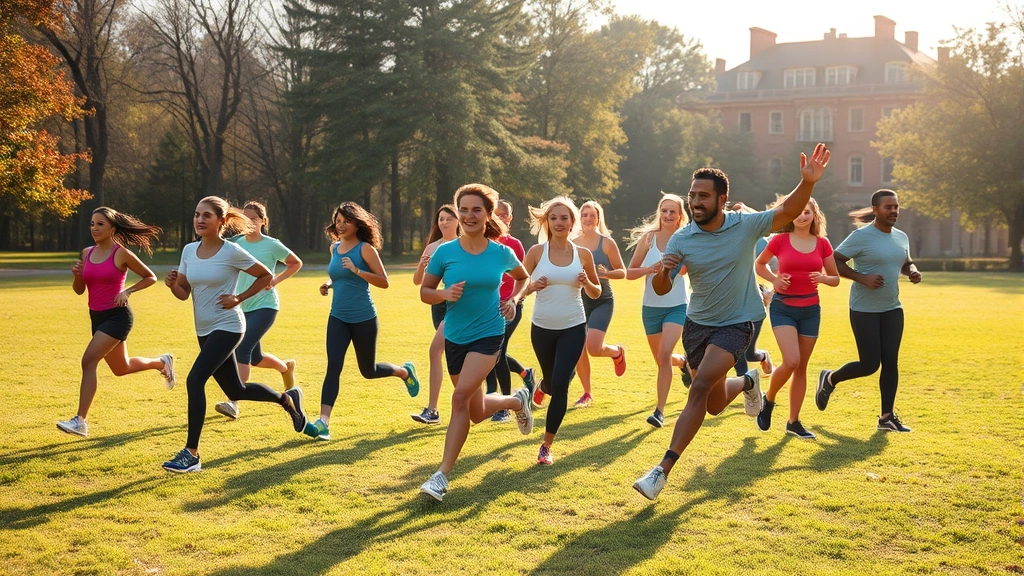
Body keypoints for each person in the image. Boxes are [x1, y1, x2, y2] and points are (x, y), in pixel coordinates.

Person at [633, 143, 830, 500]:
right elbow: (663, 288)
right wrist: (664, 270)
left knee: (698, 387)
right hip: (698, 324)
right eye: (692, 195)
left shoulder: (746, 225)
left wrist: (809, 184)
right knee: (713, 402)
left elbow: (787, 211)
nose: (695, 202)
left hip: (738, 322)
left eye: (703, 196)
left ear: (722, 199)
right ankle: (748, 382)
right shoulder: (682, 237)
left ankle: (661, 470)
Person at [162, 196, 308, 473]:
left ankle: (191, 454)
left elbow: (265, 276)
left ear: (220, 221)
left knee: (195, 381)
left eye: (206, 215)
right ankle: (287, 400)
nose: (200, 220)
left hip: (229, 326)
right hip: (203, 329)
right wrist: (172, 285)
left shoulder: (231, 251)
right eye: (196, 215)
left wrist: (239, 298)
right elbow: (183, 294)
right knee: (235, 389)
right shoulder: (189, 251)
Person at [418, 183, 533, 501]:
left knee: (458, 399)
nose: (469, 215)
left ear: (488, 214)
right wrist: (442, 294)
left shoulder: (501, 252)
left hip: (489, 332)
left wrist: (514, 300)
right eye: (463, 209)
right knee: (475, 410)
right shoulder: (444, 252)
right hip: (456, 335)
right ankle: (515, 401)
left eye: (476, 210)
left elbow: (523, 278)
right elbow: (425, 291)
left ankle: (441, 476)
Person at [306, 202, 420, 441]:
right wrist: (328, 284)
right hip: (337, 317)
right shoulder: (334, 248)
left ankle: (403, 372)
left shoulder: (366, 249)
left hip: (364, 318)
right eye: (338, 221)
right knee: (333, 366)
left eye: (346, 220)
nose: (341, 225)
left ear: (357, 223)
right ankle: (324, 422)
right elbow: (337, 275)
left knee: (368, 371)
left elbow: (384, 281)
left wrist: (358, 271)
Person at [57, 207, 174, 438]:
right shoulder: (86, 253)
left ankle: (80, 420)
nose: (94, 228)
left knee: (88, 361)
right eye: (92, 223)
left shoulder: (120, 253)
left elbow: (150, 276)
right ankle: (162, 362)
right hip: (97, 317)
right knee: (122, 368)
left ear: (112, 228)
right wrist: (77, 275)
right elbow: (80, 291)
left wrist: (128, 291)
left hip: (118, 316)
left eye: (100, 224)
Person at [815, 189, 921, 433]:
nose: (893, 211)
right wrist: (862, 278)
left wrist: (912, 270)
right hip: (864, 309)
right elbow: (834, 261)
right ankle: (830, 378)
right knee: (870, 364)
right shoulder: (861, 236)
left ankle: (887, 418)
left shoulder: (901, 237)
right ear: (875, 209)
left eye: (896, 207)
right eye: (888, 207)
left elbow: (905, 262)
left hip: (893, 308)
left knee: (891, 362)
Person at [520, 197, 602, 464]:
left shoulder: (583, 255)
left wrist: (587, 280)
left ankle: (546, 445)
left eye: (564, 218)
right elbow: (519, 285)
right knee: (554, 384)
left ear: (571, 222)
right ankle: (541, 383)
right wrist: (531, 287)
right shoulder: (535, 253)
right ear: (546, 222)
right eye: (553, 218)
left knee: (562, 385)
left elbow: (596, 291)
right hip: (542, 327)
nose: (558, 222)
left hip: (573, 326)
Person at [754, 198, 839, 439]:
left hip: (811, 310)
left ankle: (794, 422)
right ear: (790, 216)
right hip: (783, 308)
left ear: (814, 215)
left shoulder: (822, 244)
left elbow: (835, 278)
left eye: (807, 212)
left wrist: (823, 278)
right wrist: (774, 280)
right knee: (791, 361)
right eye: (798, 212)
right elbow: (759, 265)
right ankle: (768, 400)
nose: (802, 216)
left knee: (801, 367)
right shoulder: (780, 240)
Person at [214, 201, 303, 420]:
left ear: (263, 221)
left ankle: (234, 402)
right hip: (241, 305)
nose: (250, 223)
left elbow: (295, 263)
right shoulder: (235, 242)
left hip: (265, 305)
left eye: (254, 219)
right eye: (246, 219)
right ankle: (286, 368)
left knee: (241, 349)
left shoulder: (272, 245)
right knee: (255, 357)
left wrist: (275, 280)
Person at [625, 194, 690, 428]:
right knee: (661, 359)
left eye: (673, 211)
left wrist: (680, 266)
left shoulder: (686, 238)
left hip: (677, 306)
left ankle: (659, 412)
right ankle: (683, 363)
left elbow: (687, 271)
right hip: (650, 308)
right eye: (664, 211)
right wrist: (649, 269)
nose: (668, 215)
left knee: (663, 355)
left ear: (680, 215)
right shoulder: (649, 239)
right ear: (659, 213)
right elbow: (629, 273)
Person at [571, 201, 626, 408]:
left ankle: (616, 352)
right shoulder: (572, 242)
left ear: (598, 218)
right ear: (579, 218)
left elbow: (623, 271)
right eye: (584, 215)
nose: (587, 219)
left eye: (591, 215)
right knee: (578, 348)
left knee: (593, 348)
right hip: (578, 299)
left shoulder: (607, 243)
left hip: (602, 300)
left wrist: (606, 273)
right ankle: (587, 393)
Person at [411, 204, 461, 425]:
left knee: (435, 350)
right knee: (453, 354)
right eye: (441, 219)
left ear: (458, 221)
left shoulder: (463, 245)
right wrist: (422, 266)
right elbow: (417, 281)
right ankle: (470, 401)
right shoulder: (432, 247)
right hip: (438, 305)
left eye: (449, 219)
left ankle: (433, 410)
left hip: (457, 305)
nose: (444, 223)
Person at [487, 199, 536, 421]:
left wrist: (513, 300)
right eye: (495, 214)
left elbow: (524, 279)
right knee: (490, 353)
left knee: (496, 352)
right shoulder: (482, 242)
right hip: (486, 308)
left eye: (504, 215)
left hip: (510, 307)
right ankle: (523, 375)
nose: (500, 218)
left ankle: (504, 406)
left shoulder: (514, 245)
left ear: (510, 218)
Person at [729, 203, 775, 380]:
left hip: (755, 300)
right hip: (731, 302)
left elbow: (774, 268)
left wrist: (768, 292)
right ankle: (749, 389)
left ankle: (762, 356)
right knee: (737, 352)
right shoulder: (724, 240)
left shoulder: (760, 241)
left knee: (749, 354)